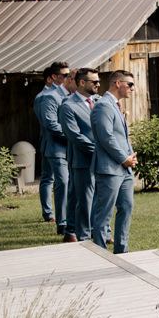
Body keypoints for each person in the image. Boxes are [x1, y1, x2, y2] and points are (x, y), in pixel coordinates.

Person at [90, 69, 138, 253]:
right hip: (109, 168)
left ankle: (122, 250)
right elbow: (106, 137)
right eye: (130, 84)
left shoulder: (116, 105)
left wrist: (131, 155)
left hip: (124, 168)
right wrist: (123, 158)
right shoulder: (103, 105)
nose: (132, 89)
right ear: (118, 83)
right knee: (104, 212)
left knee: (126, 207)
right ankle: (100, 252)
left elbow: (121, 137)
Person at [57, 68, 99, 243]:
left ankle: (100, 232)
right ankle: (83, 237)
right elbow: (74, 136)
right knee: (84, 200)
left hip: (102, 159)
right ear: (82, 83)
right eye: (94, 82)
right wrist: (99, 150)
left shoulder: (99, 102)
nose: (98, 85)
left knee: (100, 198)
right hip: (82, 159)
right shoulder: (68, 105)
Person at [34, 61, 72, 232]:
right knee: (51, 179)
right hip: (52, 144)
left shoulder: (65, 95)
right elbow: (48, 124)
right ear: (54, 77)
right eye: (65, 75)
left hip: (59, 145)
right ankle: (49, 213)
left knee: (52, 178)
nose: (68, 77)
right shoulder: (44, 96)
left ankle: (53, 214)